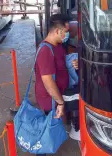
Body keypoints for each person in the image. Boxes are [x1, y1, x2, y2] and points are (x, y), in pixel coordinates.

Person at [35, 14, 78, 156]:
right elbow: (48, 82)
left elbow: (62, 64)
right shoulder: (46, 51)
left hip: (59, 93)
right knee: (48, 129)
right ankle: (41, 151)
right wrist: (60, 103)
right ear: (57, 31)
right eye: (66, 32)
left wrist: (73, 64)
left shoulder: (58, 45)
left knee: (52, 127)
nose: (67, 35)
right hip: (50, 98)